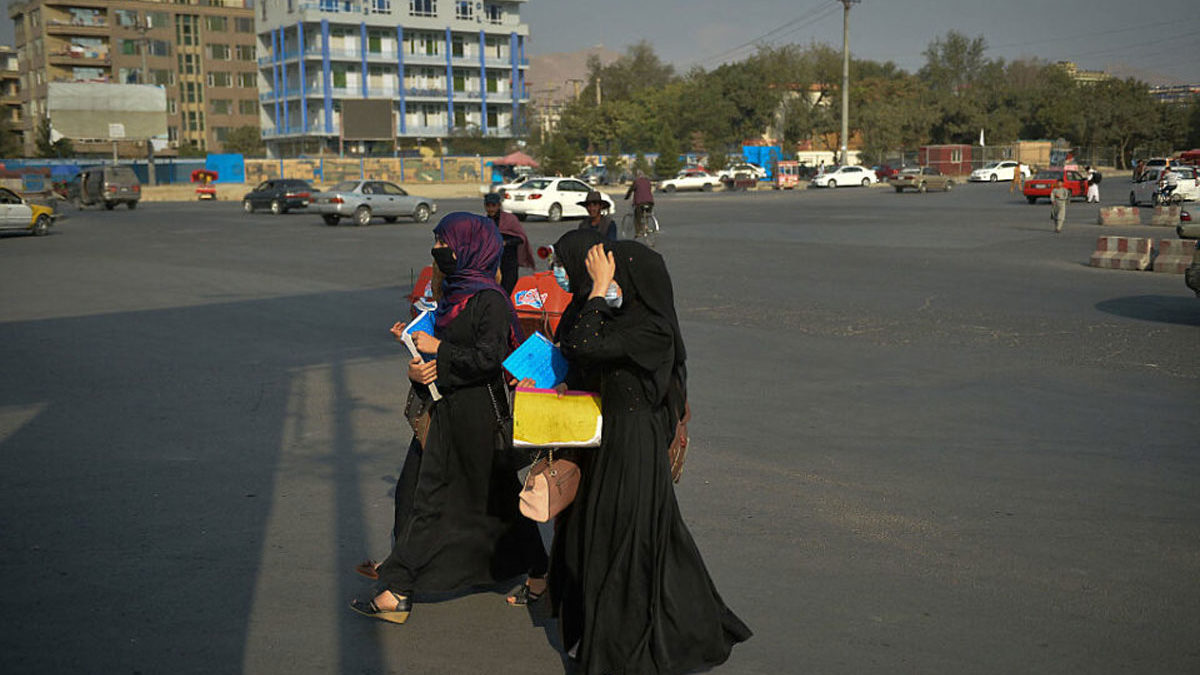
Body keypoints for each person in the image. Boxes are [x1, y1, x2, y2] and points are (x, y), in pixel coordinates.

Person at [549, 239, 752, 673]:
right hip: (612, 443)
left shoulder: (651, 330)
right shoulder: (625, 320)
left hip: (634, 446)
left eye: (616, 273)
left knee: (626, 542)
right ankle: (648, 627)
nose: (608, 282)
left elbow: (585, 343)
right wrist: (596, 294)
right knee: (631, 538)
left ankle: (619, 647)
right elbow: (572, 341)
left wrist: (600, 290)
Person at [350, 212, 546, 625]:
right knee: (475, 495)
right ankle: (541, 573)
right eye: (438, 241)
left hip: (474, 413)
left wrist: (439, 349)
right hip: (445, 406)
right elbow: (440, 356)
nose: (440, 250)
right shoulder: (453, 296)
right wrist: (416, 362)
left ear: (471, 247)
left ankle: (397, 589)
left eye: (446, 242)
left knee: (432, 497)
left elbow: (491, 359)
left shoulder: (489, 299)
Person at [483, 192, 534, 294]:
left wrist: (506, 242)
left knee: (508, 290)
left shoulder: (509, 219)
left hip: (509, 262)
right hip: (492, 263)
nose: (491, 209)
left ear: (499, 205)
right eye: (488, 206)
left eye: (493, 205)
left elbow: (521, 238)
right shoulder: (484, 221)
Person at [624, 172, 655, 236]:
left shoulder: (636, 182)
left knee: (637, 216)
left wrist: (626, 197)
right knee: (646, 214)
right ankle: (646, 227)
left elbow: (630, 190)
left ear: (637, 176)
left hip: (640, 203)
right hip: (650, 202)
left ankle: (638, 231)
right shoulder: (648, 181)